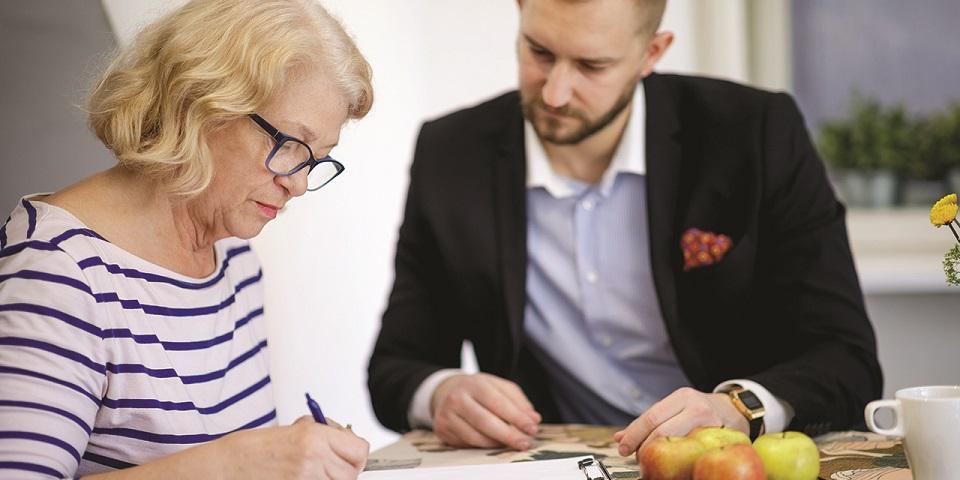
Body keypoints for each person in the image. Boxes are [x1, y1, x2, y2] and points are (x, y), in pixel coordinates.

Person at [367, 0, 882, 460]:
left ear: (651, 53)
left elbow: (847, 358)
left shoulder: (754, 131)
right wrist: (440, 392)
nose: (555, 92)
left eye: (592, 65)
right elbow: (395, 367)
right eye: (539, 52)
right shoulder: (450, 153)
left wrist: (734, 407)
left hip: (729, 464)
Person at [0, 0, 373, 478]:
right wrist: (235, 464)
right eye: (289, 146)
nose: (298, 183)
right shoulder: (58, 272)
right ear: (200, 104)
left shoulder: (233, 256)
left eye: (316, 158)